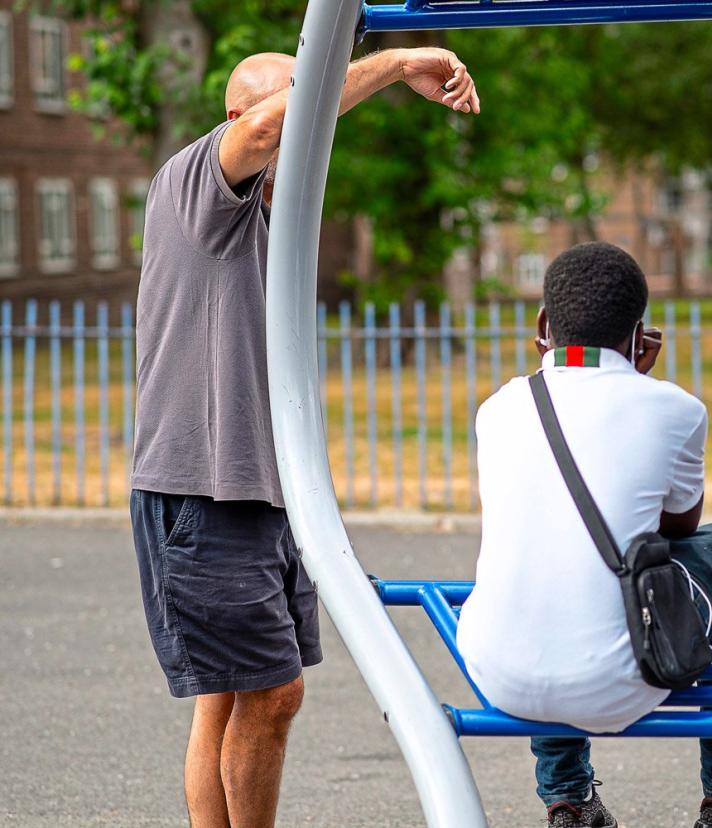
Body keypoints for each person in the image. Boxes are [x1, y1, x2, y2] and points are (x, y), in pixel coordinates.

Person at [129, 49, 478, 828]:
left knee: (229, 697)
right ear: (237, 121)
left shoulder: (271, 218)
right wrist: (394, 64)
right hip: (203, 487)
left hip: (256, 488)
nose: (312, 117)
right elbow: (272, 122)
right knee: (273, 691)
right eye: (299, 96)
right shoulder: (198, 182)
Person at [456, 242, 712, 828]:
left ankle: (568, 801)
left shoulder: (497, 408)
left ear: (542, 327)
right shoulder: (674, 408)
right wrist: (636, 376)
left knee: (556, 557)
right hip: (616, 681)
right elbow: (679, 528)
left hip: (496, 669)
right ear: (640, 334)